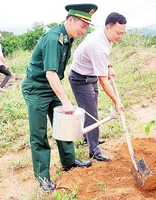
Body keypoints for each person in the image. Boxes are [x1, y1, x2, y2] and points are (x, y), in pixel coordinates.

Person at [21, 4, 98, 192]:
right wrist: (65, 100)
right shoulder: (53, 38)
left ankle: (69, 162)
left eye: (87, 27)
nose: (83, 30)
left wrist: (63, 101)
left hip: (51, 88)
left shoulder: (68, 38)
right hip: (37, 89)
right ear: (70, 20)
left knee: (64, 125)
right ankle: (43, 178)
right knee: (39, 134)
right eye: (82, 26)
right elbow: (50, 73)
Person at [68, 12, 126, 162]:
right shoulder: (97, 44)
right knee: (91, 114)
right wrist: (116, 101)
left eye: (122, 33)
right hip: (80, 79)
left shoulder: (106, 36)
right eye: (118, 33)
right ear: (108, 27)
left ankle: (89, 137)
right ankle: (93, 150)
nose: (120, 36)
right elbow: (104, 81)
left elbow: (104, 57)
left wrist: (108, 66)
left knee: (91, 108)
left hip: (90, 75)